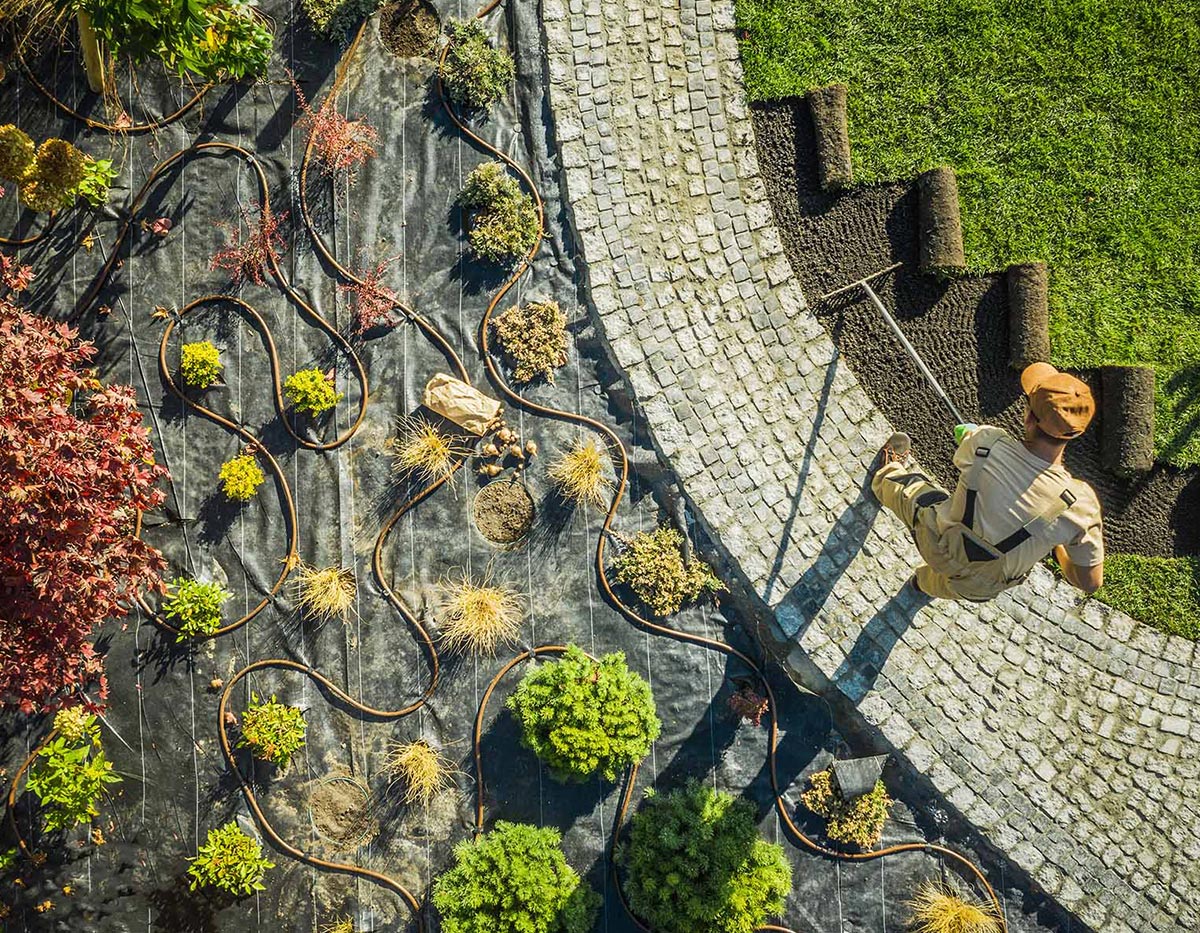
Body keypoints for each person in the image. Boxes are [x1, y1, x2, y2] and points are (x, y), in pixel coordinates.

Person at [870, 362, 1105, 602]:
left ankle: (885, 474)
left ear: (1029, 419)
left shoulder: (988, 441)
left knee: (906, 488)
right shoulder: (1079, 507)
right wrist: (1062, 553)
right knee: (948, 585)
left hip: (935, 538)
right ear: (1076, 432)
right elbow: (1091, 582)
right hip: (980, 585)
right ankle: (921, 585)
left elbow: (964, 454)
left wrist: (970, 434)